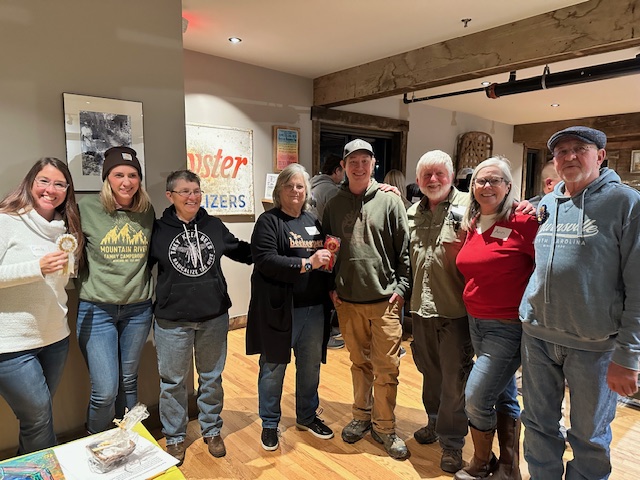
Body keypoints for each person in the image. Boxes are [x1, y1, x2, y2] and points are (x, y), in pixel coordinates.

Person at [519, 126, 640, 480]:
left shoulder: (626, 203)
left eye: (579, 149)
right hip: (538, 338)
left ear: (600, 156)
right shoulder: (548, 203)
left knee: (589, 437)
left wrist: (629, 356)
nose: (569, 156)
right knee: (538, 426)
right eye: (561, 152)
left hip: (595, 346)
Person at [149, 170, 252, 464]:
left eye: (196, 191)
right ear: (170, 196)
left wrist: (271, 247)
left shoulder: (213, 226)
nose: (192, 197)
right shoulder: (157, 230)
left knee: (211, 378)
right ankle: (175, 437)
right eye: (185, 192)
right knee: (172, 383)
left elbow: (241, 251)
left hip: (213, 317)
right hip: (172, 320)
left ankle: (211, 429)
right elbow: (141, 269)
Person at [322, 139, 411, 460]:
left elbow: (404, 251)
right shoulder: (333, 204)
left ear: (373, 165)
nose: (359, 167)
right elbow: (327, 249)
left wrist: (401, 289)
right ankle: (361, 416)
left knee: (387, 368)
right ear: (343, 166)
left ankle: (385, 427)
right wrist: (332, 288)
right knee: (358, 364)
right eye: (352, 162)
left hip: (385, 301)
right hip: (347, 302)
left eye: (365, 161)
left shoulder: (390, 202)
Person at [454, 156, 538, 480]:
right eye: (480, 181)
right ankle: (509, 466)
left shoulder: (524, 219)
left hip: (508, 326)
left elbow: (545, 266)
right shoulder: (472, 221)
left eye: (494, 180)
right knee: (503, 393)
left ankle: (480, 462)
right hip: (476, 321)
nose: (486, 186)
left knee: (476, 396)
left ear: (508, 186)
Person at [247, 163, 334, 452]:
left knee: (310, 368)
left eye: (300, 186)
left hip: (314, 309)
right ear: (279, 190)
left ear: (307, 191)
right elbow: (266, 260)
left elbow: (325, 260)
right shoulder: (269, 222)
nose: (295, 191)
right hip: (280, 309)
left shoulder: (312, 221)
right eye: (289, 186)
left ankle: (307, 416)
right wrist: (307, 263)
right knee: (273, 367)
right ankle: (269, 424)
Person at [0, 158, 83, 454]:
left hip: (55, 339)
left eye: (59, 183)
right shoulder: (6, 221)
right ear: (30, 183)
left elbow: (61, 282)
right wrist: (37, 267)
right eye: (44, 181)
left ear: (67, 190)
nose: (51, 189)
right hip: (11, 344)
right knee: (37, 417)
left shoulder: (65, 231)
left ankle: (28, 471)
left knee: (37, 418)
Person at [75, 146, 155, 433]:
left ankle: (131, 444)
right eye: (118, 174)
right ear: (106, 178)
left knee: (129, 381)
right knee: (105, 390)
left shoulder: (146, 211)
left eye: (133, 175)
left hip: (138, 309)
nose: (126, 181)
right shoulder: (85, 208)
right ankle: (96, 446)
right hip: (97, 310)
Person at [406, 150, 474, 473]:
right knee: (429, 373)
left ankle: (452, 443)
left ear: (451, 176)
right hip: (421, 310)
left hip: (455, 311)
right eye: (426, 176)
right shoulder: (410, 213)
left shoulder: (469, 206)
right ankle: (434, 423)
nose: (433, 180)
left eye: (439, 174)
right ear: (418, 181)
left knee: (453, 380)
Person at [311, 154, 345, 349]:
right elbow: (338, 220)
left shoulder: (313, 185)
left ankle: (328, 329)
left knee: (322, 289)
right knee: (328, 291)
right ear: (337, 170)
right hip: (329, 247)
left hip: (314, 246)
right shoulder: (331, 190)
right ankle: (325, 336)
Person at [310, 153, 343, 220]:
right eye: (343, 172)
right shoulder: (332, 191)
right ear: (337, 171)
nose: (344, 176)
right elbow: (336, 218)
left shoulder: (313, 185)